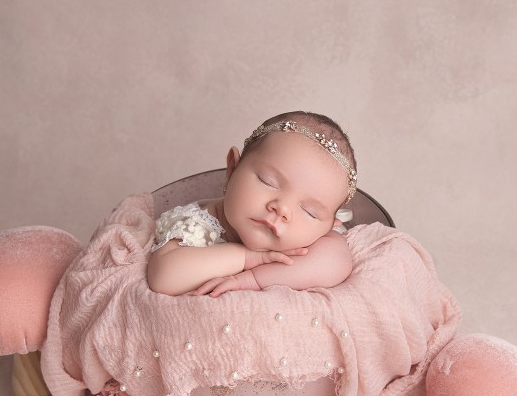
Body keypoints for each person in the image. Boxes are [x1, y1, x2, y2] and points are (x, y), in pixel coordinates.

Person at [146, 111, 358, 297]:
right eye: (268, 181)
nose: (282, 209)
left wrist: (254, 279)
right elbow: (163, 276)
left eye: (309, 212)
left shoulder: (306, 239)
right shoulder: (197, 222)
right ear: (232, 168)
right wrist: (246, 258)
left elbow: (337, 262)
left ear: (330, 226)